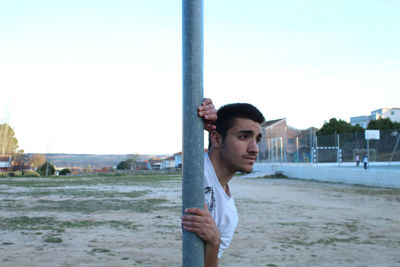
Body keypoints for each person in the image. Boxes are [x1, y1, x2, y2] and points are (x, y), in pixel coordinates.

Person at [182, 100, 265, 266]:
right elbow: (188, 141)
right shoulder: (195, 170)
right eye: (243, 137)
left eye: (257, 139)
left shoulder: (229, 215)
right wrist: (197, 117)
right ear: (217, 139)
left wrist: (214, 242)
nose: (254, 148)